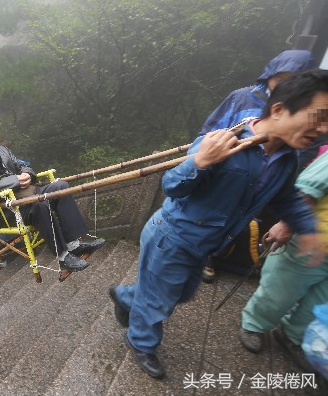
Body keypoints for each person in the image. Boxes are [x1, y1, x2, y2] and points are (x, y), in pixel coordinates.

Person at [109, 69, 328, 379]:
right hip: (173, 236)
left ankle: (127, 296)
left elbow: (287, 199)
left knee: (180, 294)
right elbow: (172, 185)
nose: (323, 128)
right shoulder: (225, 141)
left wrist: (308, 230)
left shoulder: (287, 159)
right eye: (319, 116)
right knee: (159, 300)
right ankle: (140, 341)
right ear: (279, 110)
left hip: (208, 243)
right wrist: (199, 162)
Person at [199, 49, 317, 282]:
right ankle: (206, 258)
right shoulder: (242, 97)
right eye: (281, 78)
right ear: (270, 74)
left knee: (239, 221)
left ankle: (217, 253)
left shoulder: (308, 113)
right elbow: (209, 130)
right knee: (213, 215)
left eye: (294, 80)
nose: (285, 85)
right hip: (228, 170)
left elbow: (308, 148)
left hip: (267, 177)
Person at [0, 115, 105, 272]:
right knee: (40, 205)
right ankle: (63, 256)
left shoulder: (1, 149)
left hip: (27, 194)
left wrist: (27, 173)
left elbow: (21, 164)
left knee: (61, 187)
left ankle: (73, 245)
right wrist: (14, 181)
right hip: (3, 209)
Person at [239, 149, 328, 371]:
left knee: (319, 303)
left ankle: (292, 334)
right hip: (312, 240)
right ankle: (253, 324)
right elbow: (308, 187)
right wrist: (287, 223)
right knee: (279, 290)